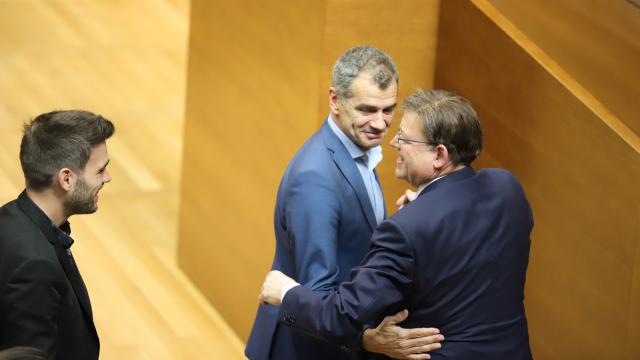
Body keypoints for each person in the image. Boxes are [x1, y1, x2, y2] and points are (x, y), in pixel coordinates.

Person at [259, 89, 534, 359]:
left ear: (438, 155)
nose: (393, 143)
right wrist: (427, 205)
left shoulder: (406, 229)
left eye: (403, 138)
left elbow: (345, 315)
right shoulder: (507, 188)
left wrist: (286, 293)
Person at [246, 46, 443, 359]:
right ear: (335, 100)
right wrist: (367, 340)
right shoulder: (315, 180)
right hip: (304, 347)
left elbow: (356, 239)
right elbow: (314, 296)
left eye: (388, 110)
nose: (380, 124)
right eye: (367, 109)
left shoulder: (357, 149)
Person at [0, 110, 114, 360]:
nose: (107, 178)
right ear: (66, 179)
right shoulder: (34, 266)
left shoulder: (8, 218)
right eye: (100, 170)